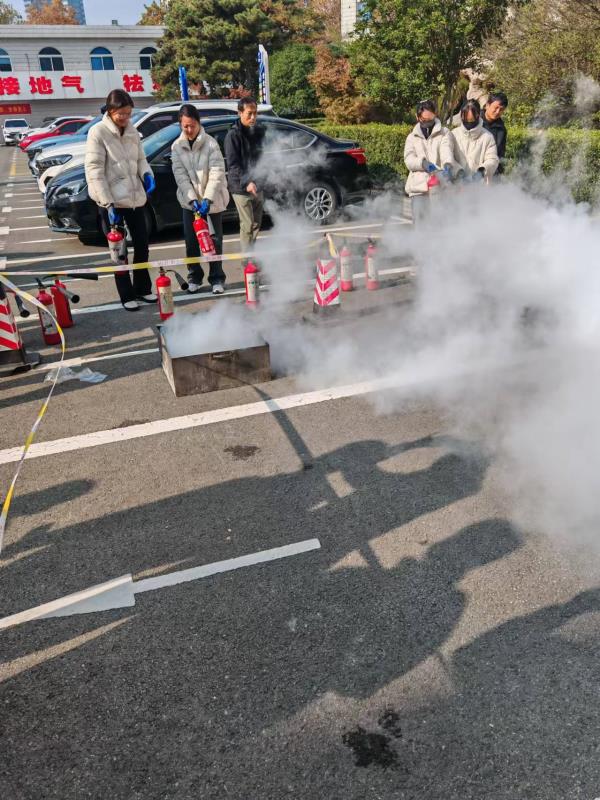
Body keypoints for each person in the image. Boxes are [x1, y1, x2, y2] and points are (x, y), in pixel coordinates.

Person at [85, 89, 156, 312]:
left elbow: (141, 158)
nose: (125, 117)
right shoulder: (98, 132)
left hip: (135, 198)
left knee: (142, 245)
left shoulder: (132, 131)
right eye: (121, 114)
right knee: (119, 251)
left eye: (128, 113)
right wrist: (107, 203)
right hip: (112, 202)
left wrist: (147, 174)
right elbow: (94, 170)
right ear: (110, 111)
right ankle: (126, 295)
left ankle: (143, 288)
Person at [171, 104, 229, 294]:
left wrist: (207, 199)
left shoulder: (211, 144)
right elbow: (180, 175)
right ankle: (194, 277)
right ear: (180, 125)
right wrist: (192, 199)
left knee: (214, 240)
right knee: (191, 241)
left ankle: (217, 278)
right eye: (185, 126)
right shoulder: (176, 146)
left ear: (198, 123)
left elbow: (217, 172)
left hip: (211, 202)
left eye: (192, 125)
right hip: (190, 203)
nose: (189, 129)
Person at [224, 96, 265, 252]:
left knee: (256, 224)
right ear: (240, 113)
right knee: (247, 225)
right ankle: (247, 260)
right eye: (249, 113)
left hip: (257, 184)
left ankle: (251, 254)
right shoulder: (233, 136)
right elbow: (233, 164)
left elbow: (261, 158)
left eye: (255, 113)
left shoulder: (258, 132)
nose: (253, 117)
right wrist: (247, 182)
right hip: (240, 186)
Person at [403, 99, 454, 221]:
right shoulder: (412, 137)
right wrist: (423, 163)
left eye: (430, 119)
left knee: (440, 225)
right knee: (420, 226)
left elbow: (446, 150)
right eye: (424, 120)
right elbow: (409, 159)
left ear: (435, 114)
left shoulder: (444, 133)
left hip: (439, 187)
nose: (427, 122)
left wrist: (447, 165)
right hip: (418, 189)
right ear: (417, 117)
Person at [450, 99, 499, 182]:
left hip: (478, 185)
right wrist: (458, 171)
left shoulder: (487, 137)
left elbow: (492, 159)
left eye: (471, 120)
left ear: (478, 116)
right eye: (466, 119)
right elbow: (448, 157)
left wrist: (482, 171)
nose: (469, 123)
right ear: (461, 116)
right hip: (456, 184)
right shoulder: (453, 134)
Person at [482, 91, 508, 175]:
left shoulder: (501, 129)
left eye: (501, 109)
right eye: (496, 107)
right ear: (487, 105)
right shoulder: (474, 121)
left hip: (491, 173)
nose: (497, 112)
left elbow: (500, 155)